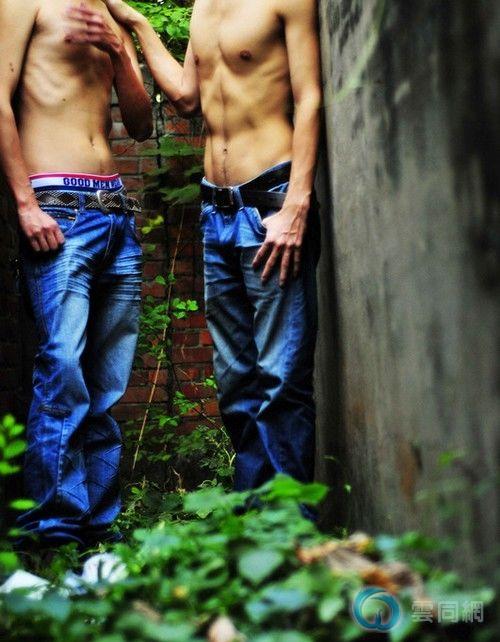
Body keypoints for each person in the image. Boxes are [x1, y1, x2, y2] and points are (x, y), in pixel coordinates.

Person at [91, 0, 322, 493]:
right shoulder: (203, 6)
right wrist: (137, 24)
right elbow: (186, 97)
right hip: (216, 209)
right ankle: (253, 511)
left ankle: (290, 521)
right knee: (235, 380)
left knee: (280, 379)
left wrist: (298, 202)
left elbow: (310, 99)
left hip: (271, 204)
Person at [0, 0, 153, 549]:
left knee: (106, 384)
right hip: (57, 210)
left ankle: (97, 532)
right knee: (62, 369)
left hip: (114, 212)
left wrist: (121, 51)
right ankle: (54, 534)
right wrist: (24, 204)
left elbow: (141, 125)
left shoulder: (108, 14)